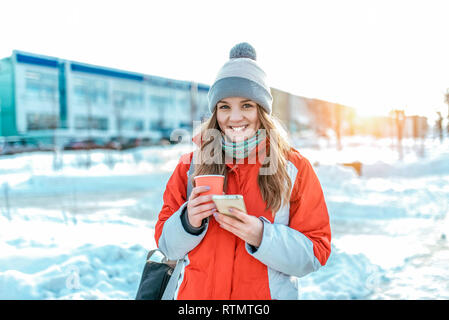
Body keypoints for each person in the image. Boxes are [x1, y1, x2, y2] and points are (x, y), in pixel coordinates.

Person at [154, 43, 331, 300]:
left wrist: (262, 236)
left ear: (262, 111)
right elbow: (165, 245)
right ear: (215, 112)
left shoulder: (294, 168)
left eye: (246, 105)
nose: (234, 117)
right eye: (225, 106)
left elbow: (316, 252)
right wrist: (188, 222)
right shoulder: (190, 166)